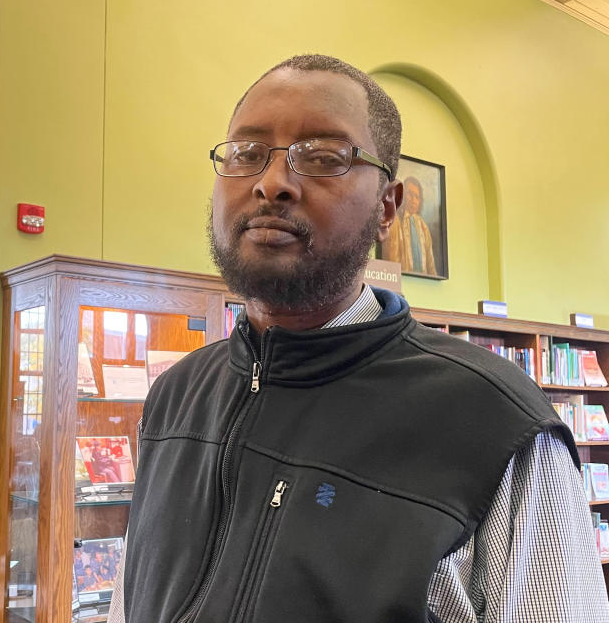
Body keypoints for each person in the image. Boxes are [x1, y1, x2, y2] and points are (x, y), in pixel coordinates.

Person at [108, 54, 608, 622]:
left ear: (388, 208)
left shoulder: (494, 422)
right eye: (247, 154)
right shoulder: (175, 394)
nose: (271, 183)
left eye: (323, 157)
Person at [399, 176, 438, 275]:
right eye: (410, 194)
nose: (414, 200)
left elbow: (430, 259)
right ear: (403, 195)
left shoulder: (423, 225)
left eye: (417, 197)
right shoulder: (398, 220)